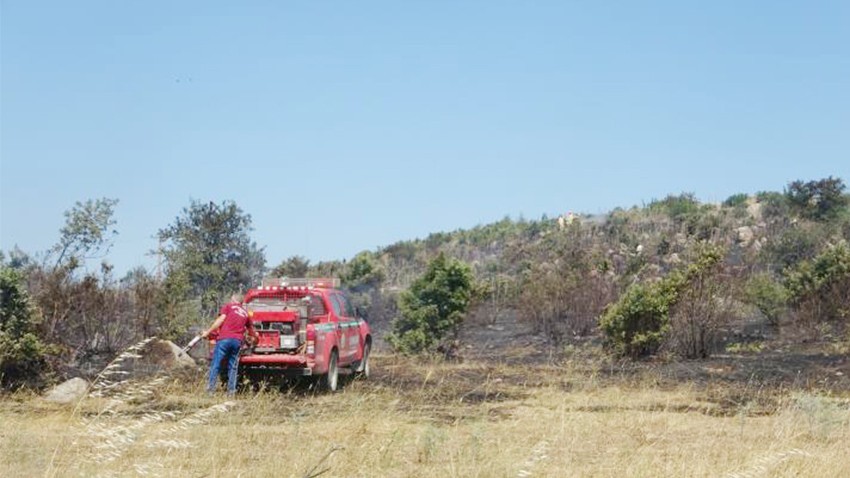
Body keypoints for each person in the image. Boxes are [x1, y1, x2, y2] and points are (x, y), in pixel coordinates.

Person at [201, 293, 259, 395]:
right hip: (237, 342)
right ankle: (231, 392)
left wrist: (208, 332)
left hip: (224, 339)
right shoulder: (246, 313)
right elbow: (252, 333)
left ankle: (210, 391)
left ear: (233, 300)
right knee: (233, 367)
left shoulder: (228, 306)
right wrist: (256, 339)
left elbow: (221, 319)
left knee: (216, 364)